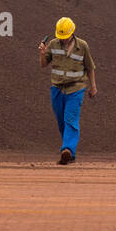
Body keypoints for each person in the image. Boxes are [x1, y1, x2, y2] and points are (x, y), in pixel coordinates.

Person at [39, 16, 98, 164]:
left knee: (70, 119)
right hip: (57, 88)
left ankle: (67, 150)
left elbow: (90, 67)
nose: (63, 39)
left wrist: (93, 86)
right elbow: (43, 64)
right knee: (61, 121)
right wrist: (42, 53)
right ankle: (70, 154)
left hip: (76, 88)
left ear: (72, 32)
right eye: (61, 37)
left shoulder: (82, 46)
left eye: (65, 37)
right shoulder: (53, 44)